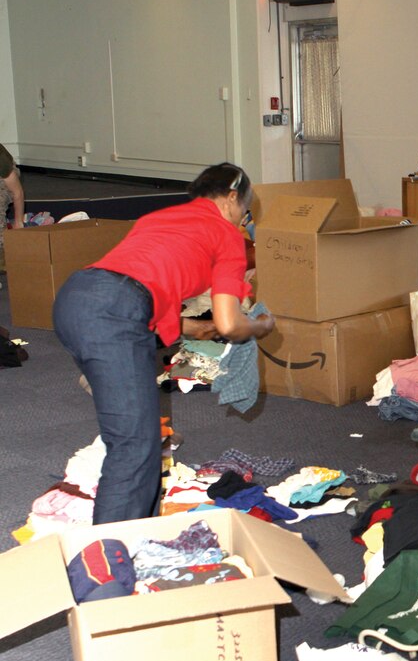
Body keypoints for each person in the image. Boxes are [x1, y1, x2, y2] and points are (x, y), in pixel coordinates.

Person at [52, 162, 275, 524]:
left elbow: (141, 280)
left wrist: (194, 329)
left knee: (140, 438)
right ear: (232, 198)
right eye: (244, 212)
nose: (242, 220)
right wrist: (260, 326)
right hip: (114, 316)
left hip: (76, 298)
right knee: (135, 447)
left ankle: (140, 535)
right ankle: (107, 564)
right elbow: (230, 324)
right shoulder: (226, 234)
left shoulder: (159, 218)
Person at [0, 143, 25, 275]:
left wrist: (18, 222)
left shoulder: (1, 159)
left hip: (3, 179)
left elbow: (17, 192)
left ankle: (5, 252)